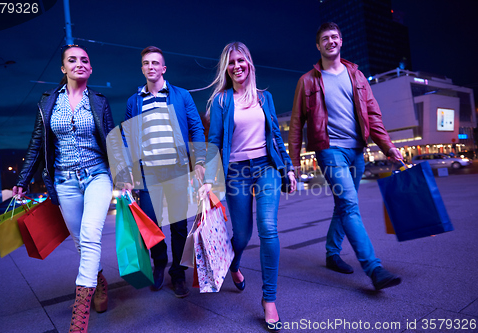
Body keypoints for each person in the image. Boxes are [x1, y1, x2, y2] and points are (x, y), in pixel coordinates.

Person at [289, 22, 404, 291]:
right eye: (324, 39)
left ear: (341, 41)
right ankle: (374, 268)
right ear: (318, 46)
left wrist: (388, 147)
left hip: (357, 151)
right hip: (329, 150)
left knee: (343, 206)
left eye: (334, 37)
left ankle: (331, 253)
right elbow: (296, 124)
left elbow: (373, 115)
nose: (330, 41)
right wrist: (293, 165)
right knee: (350, 205)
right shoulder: (307, 81)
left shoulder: (357, 76)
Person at [13, 44, 116, 332]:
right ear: (63, 68)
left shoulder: (99, 101)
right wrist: (22, 179)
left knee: (91, 235)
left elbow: (110, 140)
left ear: (91, 68)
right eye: (72, 60)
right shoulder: (48, 102)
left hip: (97, 176)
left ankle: (79, 315)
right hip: (64, 181)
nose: (79, 64)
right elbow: (37, 143)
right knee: (80, 243)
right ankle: (100, 282)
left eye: (84, 60)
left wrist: (125, 174)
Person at [199, 42, 297, 331]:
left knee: (268, 229)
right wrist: (207, 180)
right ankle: (234, 263)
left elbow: (276, 136)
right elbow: (214, 141)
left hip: (266, 168)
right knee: (241, 235)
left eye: (241, 60)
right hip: (236, 173)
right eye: (231, 63)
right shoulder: (221, 101)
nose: (236, 66)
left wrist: (288, 168)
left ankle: (269, 300)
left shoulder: (264, 98)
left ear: (250, 63)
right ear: (226, 69)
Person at [121, 46, 206, 298]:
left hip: (178, 171)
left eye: (155, 63)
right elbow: (127, 140)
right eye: (146, 63)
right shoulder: (134, 101)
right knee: (151, 224)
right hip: (148, 174)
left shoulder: (181, 96)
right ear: (142, 69)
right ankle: (160, 263)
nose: (151, 67)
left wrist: (199, 160)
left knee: (179, 227)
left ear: (163, 68)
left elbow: (197, 128)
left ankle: (177, 273)